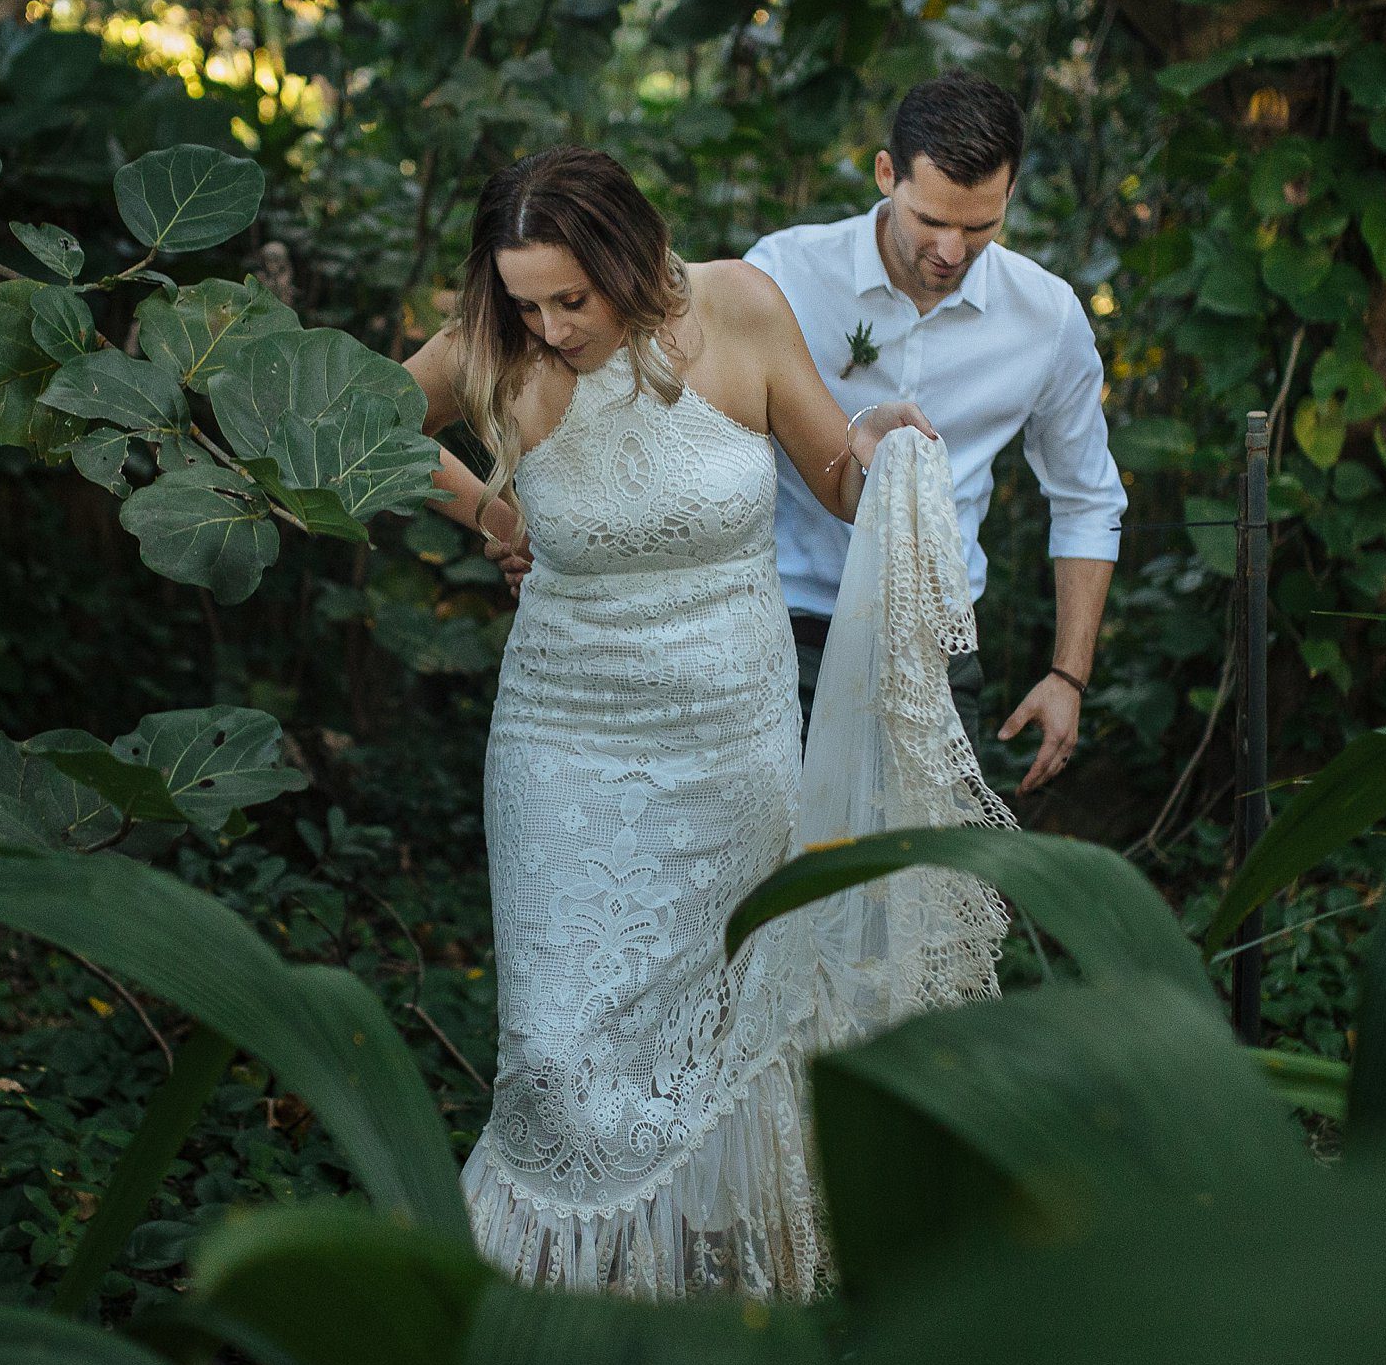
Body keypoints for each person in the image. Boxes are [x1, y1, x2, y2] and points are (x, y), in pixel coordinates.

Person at [403, 144, 1009, 1302]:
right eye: (526, 302)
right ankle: (547, 1327)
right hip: (562, 742)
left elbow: (836, 477)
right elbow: (358, 417)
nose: (551, 327)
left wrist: (879, 447)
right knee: (555, 1057)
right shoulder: (498, 345)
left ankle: (708, 1310)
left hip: (733, 743)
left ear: (632, 256)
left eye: (571, 298)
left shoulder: (739, 307)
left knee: (722, 1038)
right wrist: (487, 510)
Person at [740, 72, 1126, 794]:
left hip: (937, 653)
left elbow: (1087, 499)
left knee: (929, 863)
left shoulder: (1047, 317)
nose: (951, 250)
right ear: (887, 173)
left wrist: (1068, 675)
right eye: (931, 220)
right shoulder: (781, 275)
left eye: (979, 228)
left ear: (1010, 193)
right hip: (780, 633)